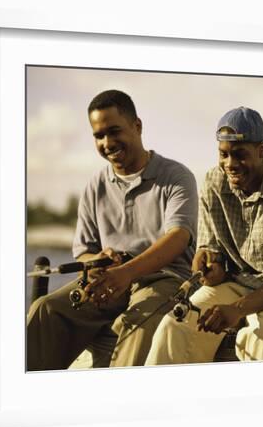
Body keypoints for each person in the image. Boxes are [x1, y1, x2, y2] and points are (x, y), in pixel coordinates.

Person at [145, 106, 263, 365]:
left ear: (262, 151)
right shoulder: (213, 182)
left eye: (240, 155)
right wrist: (208, 264)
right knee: (176, 324)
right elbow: (212, 254)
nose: (230, 164)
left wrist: (237, 310)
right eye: (223, 154)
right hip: (240, 284)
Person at [27, 90, 198, 371]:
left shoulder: (177, 176)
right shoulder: (96, 185)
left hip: (165, 279)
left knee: (136, 325)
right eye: (99, 135)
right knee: (45, 310)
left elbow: (178, 237)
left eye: (114, 131)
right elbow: (83, 252)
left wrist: (126, 273)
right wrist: (95, 263)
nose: (107, 143)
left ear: (137, 126)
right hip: (109, 282)